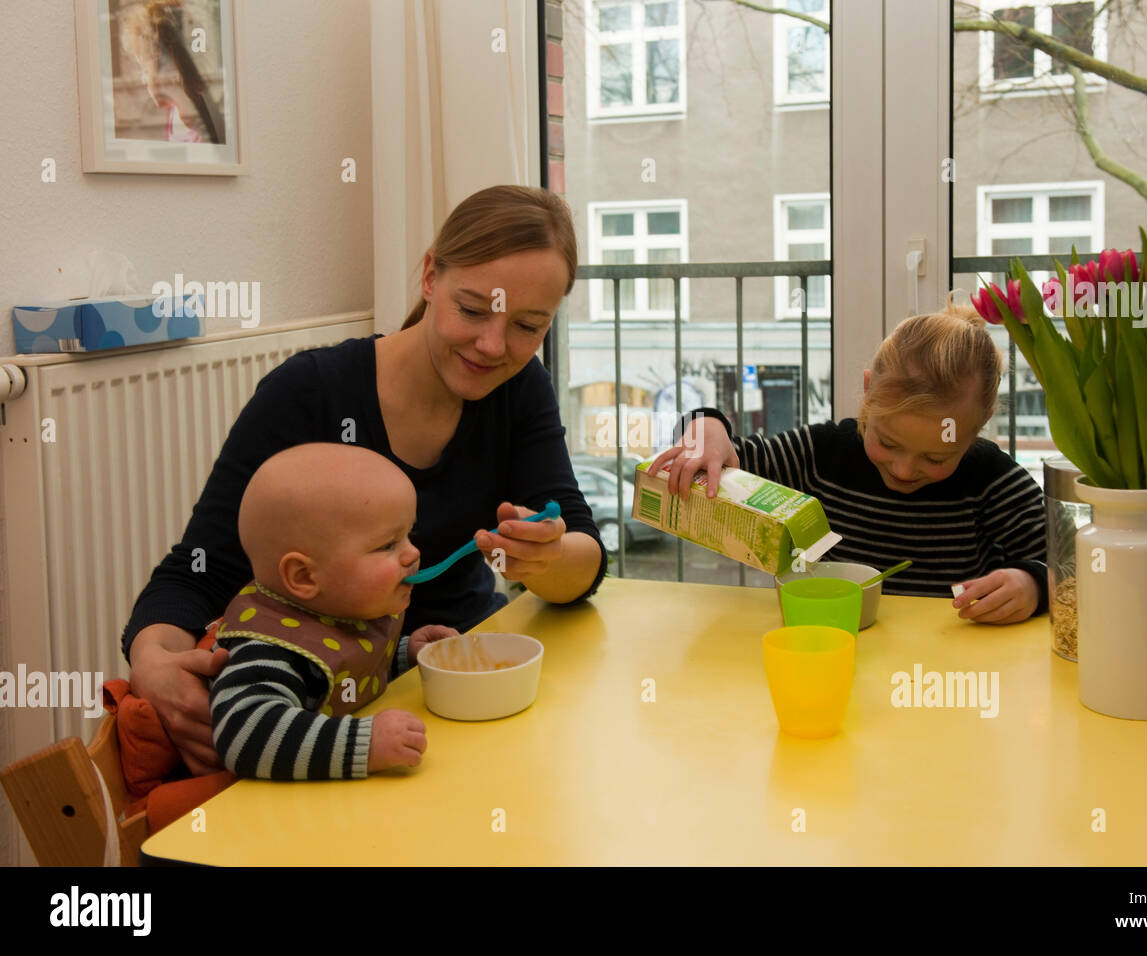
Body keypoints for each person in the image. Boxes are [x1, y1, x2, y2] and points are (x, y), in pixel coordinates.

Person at [123, 185, 606, 775]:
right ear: (430, 276)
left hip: (454, 692)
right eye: (473, 310)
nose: (493, 346)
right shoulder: (308, 393)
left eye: (529, 326)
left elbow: (581, 554)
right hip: (323, 727)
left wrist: (548, 559)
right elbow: (200, 567)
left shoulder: (520, 387)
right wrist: (151, 658)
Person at [650, 293, 1047, 625]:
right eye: (888, 443)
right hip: (835, 649)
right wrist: (706, 430)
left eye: (936, 456)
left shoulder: (992, 479)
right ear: (868, 390)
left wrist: (1032, 584)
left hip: (948, 673)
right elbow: (732, 458)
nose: (905, 469)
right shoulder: (822, 453)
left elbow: (1067, 568)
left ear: (978, 428)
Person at [211, 444, 461, 779]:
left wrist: (405, 654)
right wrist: (365, 745)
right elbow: (244, 734)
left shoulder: (334, 607)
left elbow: (343, 669)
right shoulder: (271, 647)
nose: (412, 553)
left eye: (408, 535)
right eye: (388, 545)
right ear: (304, 577)